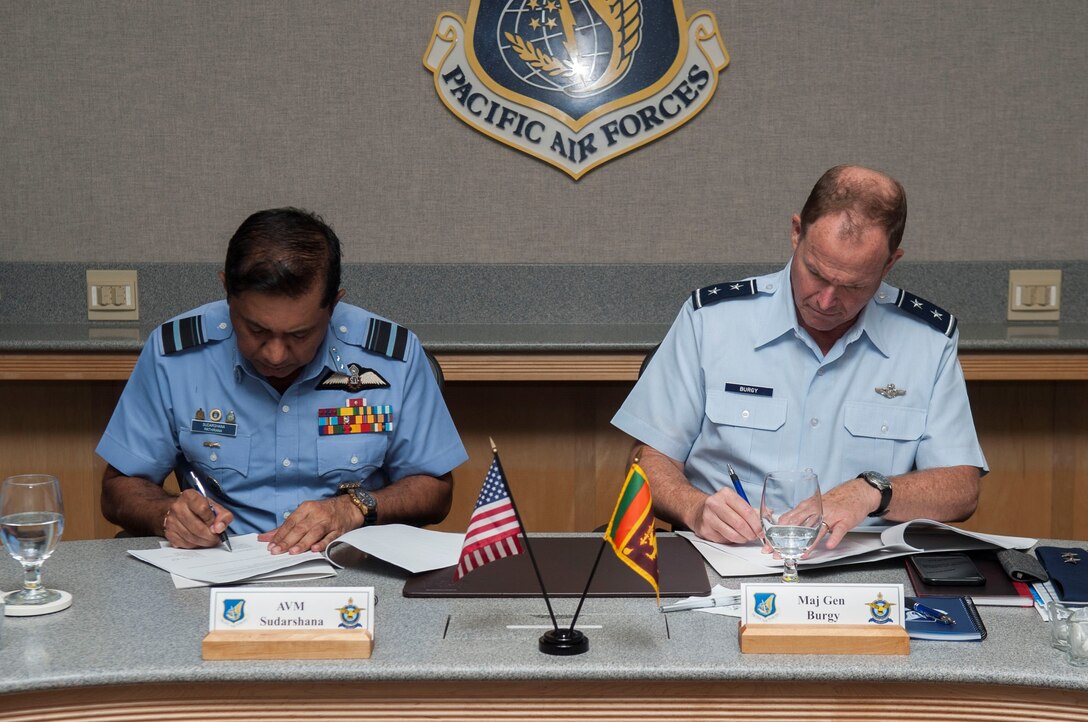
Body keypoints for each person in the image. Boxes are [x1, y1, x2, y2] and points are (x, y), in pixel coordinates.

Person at [611, 165, 986, 550]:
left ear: (889, 264)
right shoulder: (712, 320)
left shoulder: (927, 340)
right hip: (729, 557)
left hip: (858, 566)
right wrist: (695, 509)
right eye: (816, 273)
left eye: (854, 286)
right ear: (796, 233)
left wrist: (872, 491)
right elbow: (647, 461)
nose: (826, 301)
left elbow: (961, 488)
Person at [98, 208, 467, 554]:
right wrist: (168, 514)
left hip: (350, 566)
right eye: (256, 330)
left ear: (333, 306)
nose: (275, 355)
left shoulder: (391, 356)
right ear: (228, 294)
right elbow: (119, 489)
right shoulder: (175, 356)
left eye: (299, 335)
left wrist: (353, 507)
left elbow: (435, 491)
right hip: (221, 567)